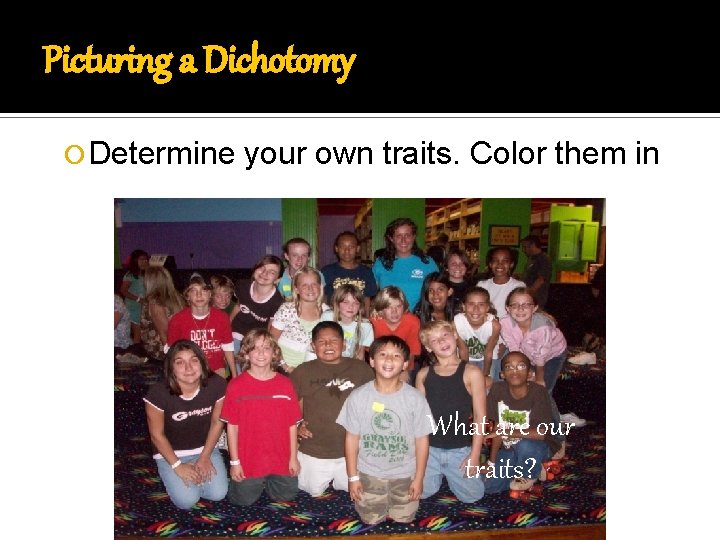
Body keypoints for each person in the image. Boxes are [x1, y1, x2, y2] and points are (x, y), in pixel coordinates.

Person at [336, 335, 433, 525]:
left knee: (404, 519)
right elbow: (351, 438)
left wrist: (419, 478)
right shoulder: (358, 396)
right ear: (372, 360)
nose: (389, 359)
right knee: (370, 520)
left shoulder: (416, 398)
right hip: (369, 474)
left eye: (396, 356)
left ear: (405, 364)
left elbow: (422, 439)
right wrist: (353, 477)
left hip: (405, 474)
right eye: (383, 354)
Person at [290, 321, 375, 496]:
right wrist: (298, 425)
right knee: (312, 491)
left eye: (334, 340)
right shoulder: (302, 371)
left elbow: (374, 402)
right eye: (321, 342)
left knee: (358, 489)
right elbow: (289, 406)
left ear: (344, 344)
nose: (328, 345)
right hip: (315, 448)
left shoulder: (361, 369)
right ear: (313, 346)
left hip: (351, 450)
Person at [143, 340, 228, 509]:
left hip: (205, 448)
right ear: (171, 368)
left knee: (218, 494)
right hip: (171, 452)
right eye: (180, 362)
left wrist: (205, 457)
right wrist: (177, 466)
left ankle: (194, 475)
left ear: (202, 363)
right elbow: (157, 435)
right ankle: (176, 475)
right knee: (187, 501)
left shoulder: (217, 384)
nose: (188, 368)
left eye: (194, 360)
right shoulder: (158, 393)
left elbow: (217, 423)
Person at [221, 329, 302, 506]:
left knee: (287, 495)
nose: (261, 353)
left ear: (274, 353)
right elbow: (232, 427)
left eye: (266, 348)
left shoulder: (285, 384)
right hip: (249, 457)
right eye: (255, 348)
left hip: (279, 455)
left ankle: (268, 479)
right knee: (242, 501)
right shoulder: (236, 385)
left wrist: (293, 457)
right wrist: (235, 462)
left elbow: (292, 425)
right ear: (246, 354)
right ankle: (253, 481)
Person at [415, 320, 486, 503]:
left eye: (445, 335)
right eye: (434, 340)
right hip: (429, 449)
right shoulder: (423, 374)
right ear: (428, 347)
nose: (441, 341)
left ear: (455, 335)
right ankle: (438, 474)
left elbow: (480, 416)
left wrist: (474, 455)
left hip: (459, 449)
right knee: (420, 493)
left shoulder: (472, 372)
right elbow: (419, 417)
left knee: (473, 496)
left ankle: (466, 470)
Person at [482, 351, 562, 494]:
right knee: (488, 486)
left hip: (537, 446)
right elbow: (497, 428)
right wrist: (491, 462)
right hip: (509, 448)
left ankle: (528, 474)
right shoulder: (497, 390)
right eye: (509, 367)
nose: (515, 371)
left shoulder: (538, 392)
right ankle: (532, 467)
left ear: (530, 374)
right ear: (502, 374)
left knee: (525, 446)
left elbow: (540, 433)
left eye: (521, 366)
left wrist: (505, 431)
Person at [500, 287, 567, 395]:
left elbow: (541, 356)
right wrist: (525, 369)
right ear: (508, 308)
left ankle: (547, 405)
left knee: (542, 390)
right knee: (522, 384)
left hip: (553, 354)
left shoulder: (542, 328)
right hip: (526, 353)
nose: (520, 309)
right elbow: (513, 348)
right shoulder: (505, 323)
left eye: (526, 305)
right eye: (515, 305)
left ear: (534, 308)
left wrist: (539, 379)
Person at [166, 276, 236, 378]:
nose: (199, 295)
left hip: (216, 371)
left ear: (210, 294)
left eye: (204, 290)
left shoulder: (222, 318)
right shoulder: (177, 320)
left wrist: (234, 375)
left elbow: (228, 348)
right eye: (194, 291)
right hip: (189, 372)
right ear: (187, 295)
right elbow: (171, 352)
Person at [372, 217, 438, 312]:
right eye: (398, 236)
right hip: (388, 318)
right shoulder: (381, 263)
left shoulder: (427, 262)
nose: (403, 240)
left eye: (407, 235)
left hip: (419, 318)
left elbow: (438, 292)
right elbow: (371, 295)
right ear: (391, 238)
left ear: (414, 237)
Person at [270, 266, 329, 372]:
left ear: (320, 287)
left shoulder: (327, 313)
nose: (310, 289)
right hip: (284, 367)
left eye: (314, 284)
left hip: (313, 369)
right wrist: (285, 367)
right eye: (304, 285)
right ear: (296, 289)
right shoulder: (287, 309)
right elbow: (272, 340)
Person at [413, 271, 468, 370]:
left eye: (440, 289)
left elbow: (464, 345)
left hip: (459, 357)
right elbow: (422, 347)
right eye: (431, 291)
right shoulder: (420, 313)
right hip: (431, 360)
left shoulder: (458, 310)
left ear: (449, 291)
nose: (435, 294)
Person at [231, 255, 285, 356]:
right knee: (235, 355)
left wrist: (265, 346)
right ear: (255, 269)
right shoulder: (242, 285)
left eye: (272, 272)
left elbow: (270, 327)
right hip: (237, 331)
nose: (264, 273)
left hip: (256, 337)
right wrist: (226, 328)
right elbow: (238, 306)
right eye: (262, 268)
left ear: (277, 279)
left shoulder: (277, 302)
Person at [369, 286, 421, 382]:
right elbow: (370, 352)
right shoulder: (373, 321)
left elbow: (412, 352)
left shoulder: (412, 322)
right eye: (389, 307)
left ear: (404, 306)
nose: (394, 312)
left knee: (405, 382)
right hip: (379, 361)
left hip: (404, 361)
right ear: (381, 310)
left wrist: (404, 370)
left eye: (398, 306)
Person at [321, 231, 378, 316]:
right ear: (336, 249)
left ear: (357, 249)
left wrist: (366, 318)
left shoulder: (366, 272)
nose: (347, 250)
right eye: (342, 246)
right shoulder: (327, 271)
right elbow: (323, 297)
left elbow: (367, 299)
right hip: (334, 318)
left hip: (358, 319)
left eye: (351, 247)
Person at [453, 287, 501, 385]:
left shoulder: (494, 326)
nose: (476, 309)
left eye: (481, 304)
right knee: (466, 383)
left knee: (487, 384)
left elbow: (488, 352)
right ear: (464, 307)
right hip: (466, 358)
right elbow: (463, 350)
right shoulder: (457, 323)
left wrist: (486, 374)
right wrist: (466, 372)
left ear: (487, 308)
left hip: (487, 358)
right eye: (471, 304)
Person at [317, 284, 374, 361]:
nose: (351, 307)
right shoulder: (328, 317)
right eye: (346, 302)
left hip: (351, 363)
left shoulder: (365, 325)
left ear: (360, 306)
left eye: (356, 303)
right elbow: (321, 345)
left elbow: (360, 355)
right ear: (337, 303)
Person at [141, 266, 185, 362]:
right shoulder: (177, 297)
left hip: (160, 350)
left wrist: (172, 358)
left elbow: (164, 333)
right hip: (180, 345)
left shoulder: (155, 302)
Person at [477, 246, 526, 320]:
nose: (500, 264)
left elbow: (524, 308)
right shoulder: (482, 285)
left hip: (511, 324)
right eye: (495, 260)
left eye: (505, 261)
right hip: (488, 324)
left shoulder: (518, 286)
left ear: (511, 264)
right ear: (490, 264)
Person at [120, 249, 149, 343]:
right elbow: (123, 290)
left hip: (143, 306)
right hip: (133, 307)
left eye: (146, 259)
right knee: (137, 333)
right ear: (135, 260)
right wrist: (138, 299)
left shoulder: (147, 274)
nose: (144, 262)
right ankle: (136, 350)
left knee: (143, 333)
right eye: (141, 259)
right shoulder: (130, 275)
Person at [519, 235, 552, 310]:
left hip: (536, 298)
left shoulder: (544, 259)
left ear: (533, 245)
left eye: (525, 247)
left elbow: (541, 280)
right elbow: (529, 275)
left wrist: (529, 293)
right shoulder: (532, 259)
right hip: (529, 296)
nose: (523, 250)